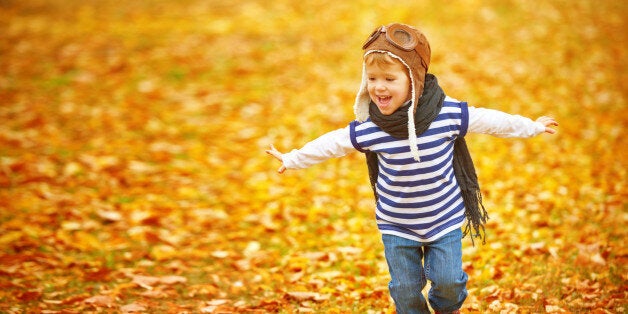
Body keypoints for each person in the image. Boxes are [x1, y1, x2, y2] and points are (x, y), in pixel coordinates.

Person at [265, 23, 557, 314]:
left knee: (449, 281)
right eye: (372, 78)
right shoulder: (371, 128)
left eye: (389, 79)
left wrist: (531, 127)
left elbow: (491, 121)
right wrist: (293, 158)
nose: (379, 86)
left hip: (443, 217)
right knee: (404, 290)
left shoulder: (447, 114)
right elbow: (333, 143)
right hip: (396, 223)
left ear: (414, 81)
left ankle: (447, 308)